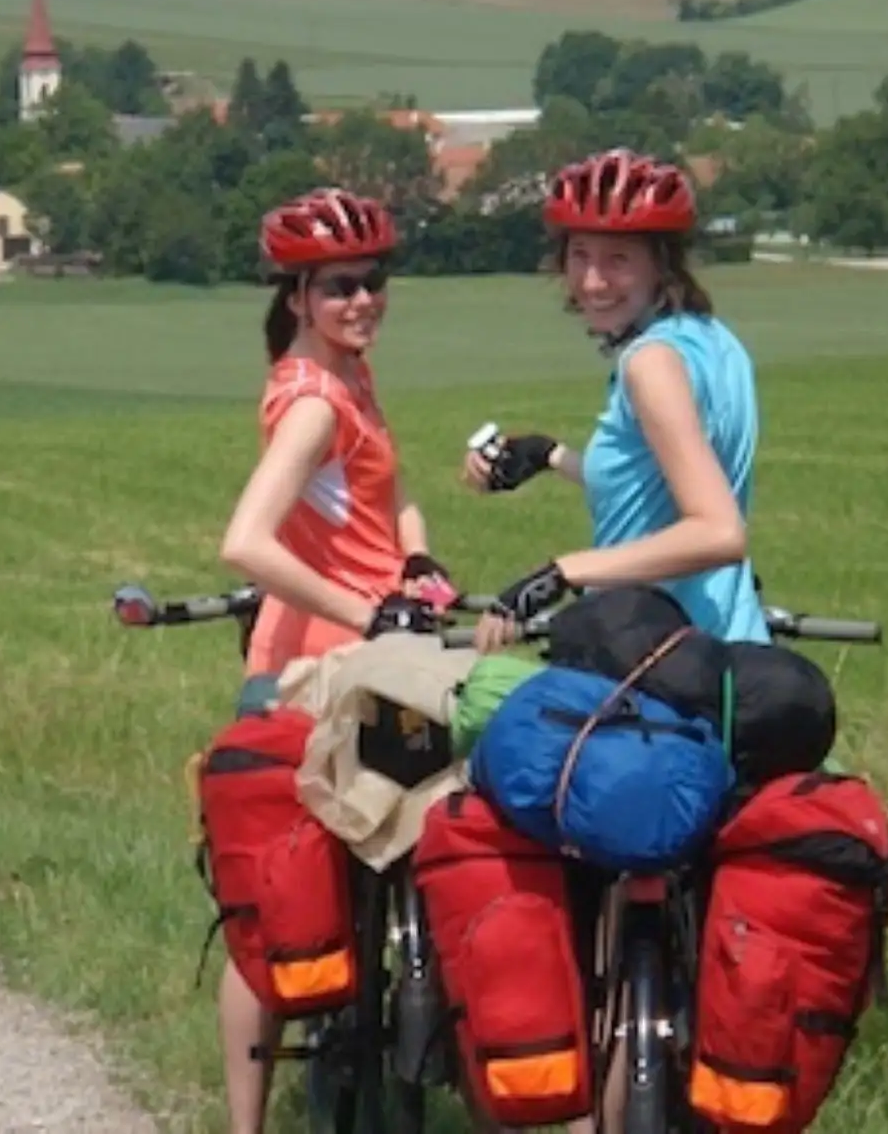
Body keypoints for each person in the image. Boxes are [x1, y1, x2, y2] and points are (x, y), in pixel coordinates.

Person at [462, 147, 769, 1134]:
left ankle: (582, 1070)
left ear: (663, 260)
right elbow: (652, 482)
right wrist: (548, 458)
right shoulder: (710, 344)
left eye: (619, 260)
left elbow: (713, 526)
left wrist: (565, 571)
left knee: (553, 829)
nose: (593, 279)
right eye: (580, 257)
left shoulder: (648, 360)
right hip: (734, 655)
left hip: (651, 663)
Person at [217, 186, 449, 1134]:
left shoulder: (347, 374)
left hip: (378, 667)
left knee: (389, 868)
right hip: (305, 673)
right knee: (277, 906)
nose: (363, 301)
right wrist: (369, 607)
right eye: (340, 287)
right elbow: (247, 541)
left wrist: (419, 558)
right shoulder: (314, 399)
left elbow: (381, 500)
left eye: (374, 281)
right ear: (300, 296)